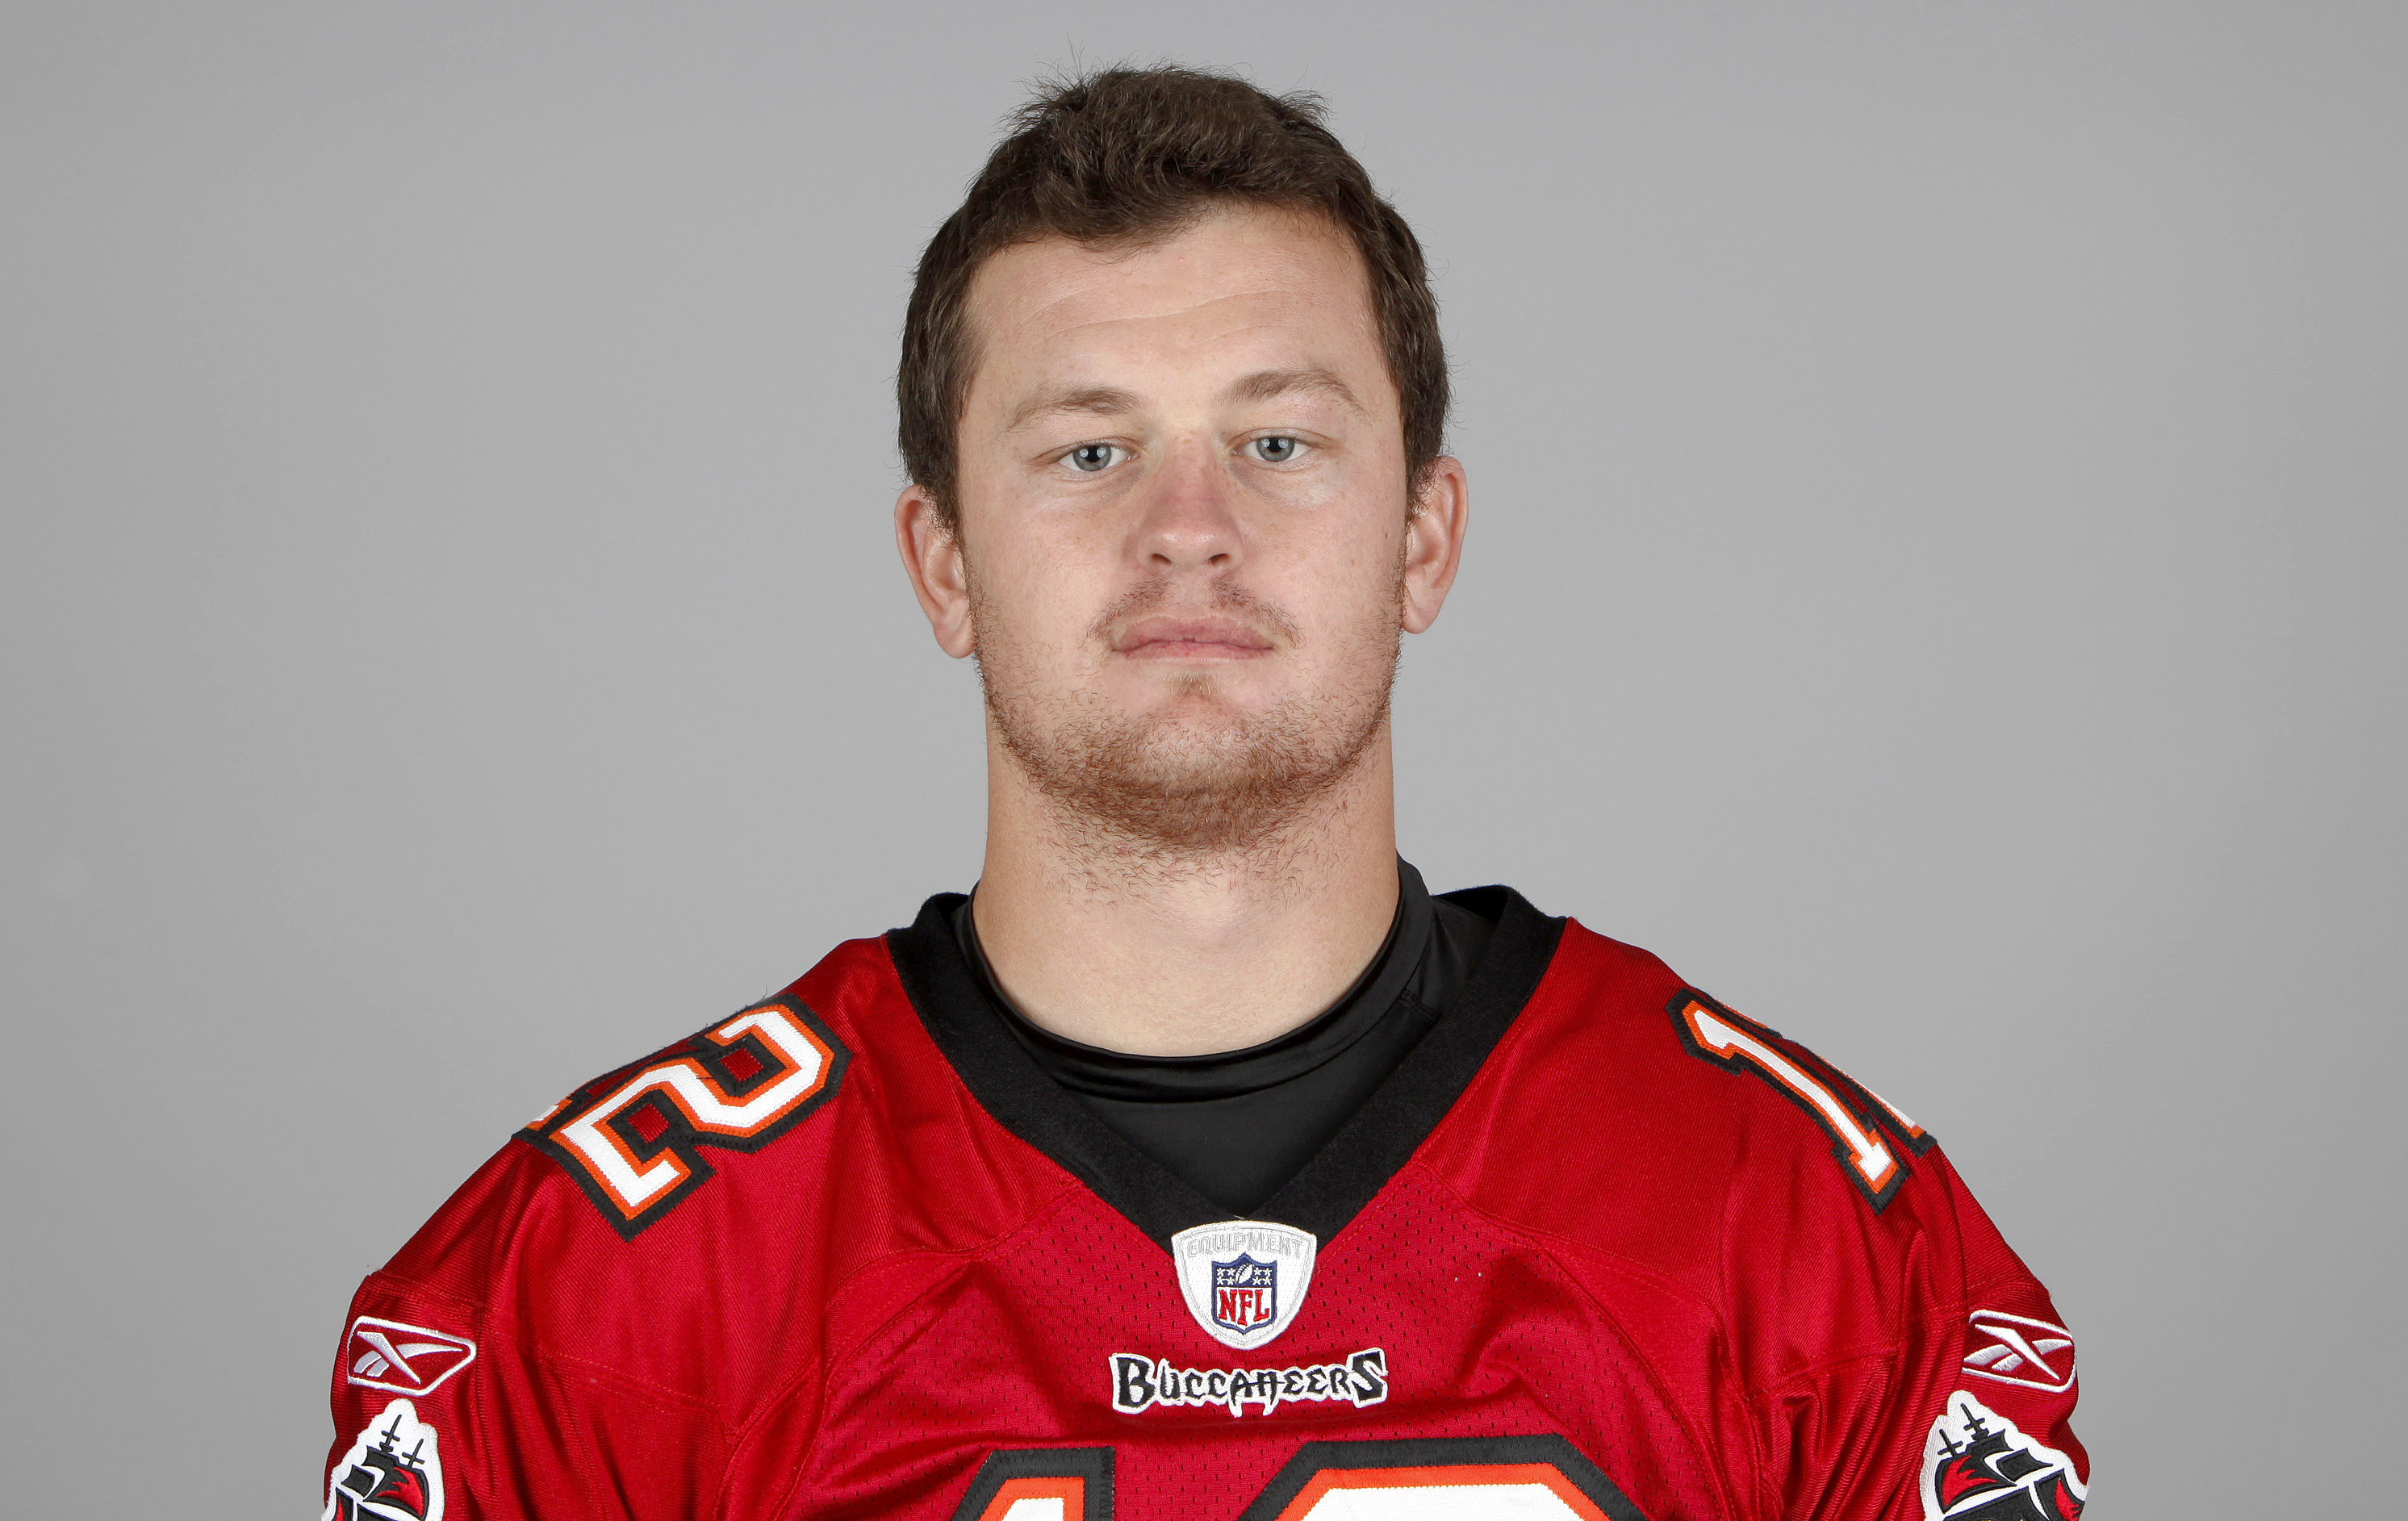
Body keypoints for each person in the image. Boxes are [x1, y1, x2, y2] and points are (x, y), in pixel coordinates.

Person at [321, 66, 2086, 1521]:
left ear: (1423, 538)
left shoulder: (1796, 1239)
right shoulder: (606, 1293)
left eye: (1278, 440)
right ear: (944, 562)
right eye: (1089, 448)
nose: (1188, 528)